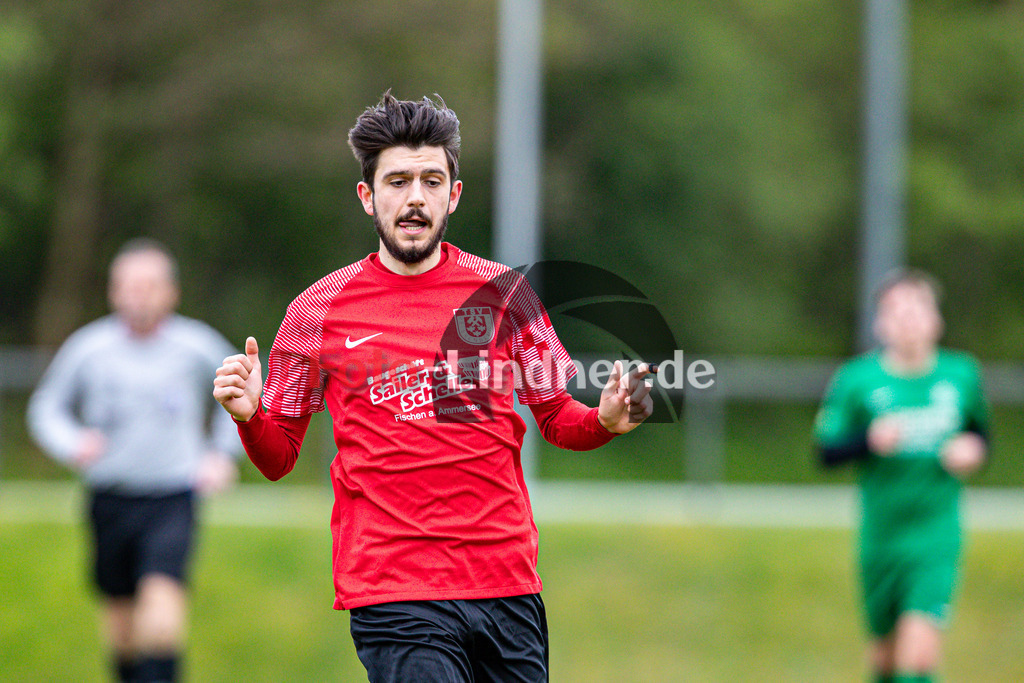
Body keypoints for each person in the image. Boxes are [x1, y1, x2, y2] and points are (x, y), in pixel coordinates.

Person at [212, 91, 654, 682]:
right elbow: (276, 459)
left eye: (430, 180)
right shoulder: (315, 311)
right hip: (394, 590)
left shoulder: (507, 296)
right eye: (397, 181)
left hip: (506, 584)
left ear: (454, 194)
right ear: (368, 197)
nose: (414, 197)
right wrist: (247, 416)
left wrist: (602, 420)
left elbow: (556, 418)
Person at [27, 238, 241, 683]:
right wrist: (71, 442)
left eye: (149, 285)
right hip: (109, 499)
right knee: (124, 630)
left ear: (171, 292)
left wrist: (220, 455)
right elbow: (46, 407)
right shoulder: (88, 348)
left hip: (171, 499)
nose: (138, 294)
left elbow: (244, 394)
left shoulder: (197, 344)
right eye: (127, 285)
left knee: (160, 621)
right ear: (113, 291)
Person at [813, 269, 990, 683]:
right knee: (886, 662)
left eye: (918, 307)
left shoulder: (961, 374)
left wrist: (973, 450)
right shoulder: (857, 380)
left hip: (935, 536)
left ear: (936, 319)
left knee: (920, 659)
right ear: (880, 323)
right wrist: (867, 440)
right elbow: (826, 451)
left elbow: (980, 434)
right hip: (880, 538)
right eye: (896, 310)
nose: (908, 318)